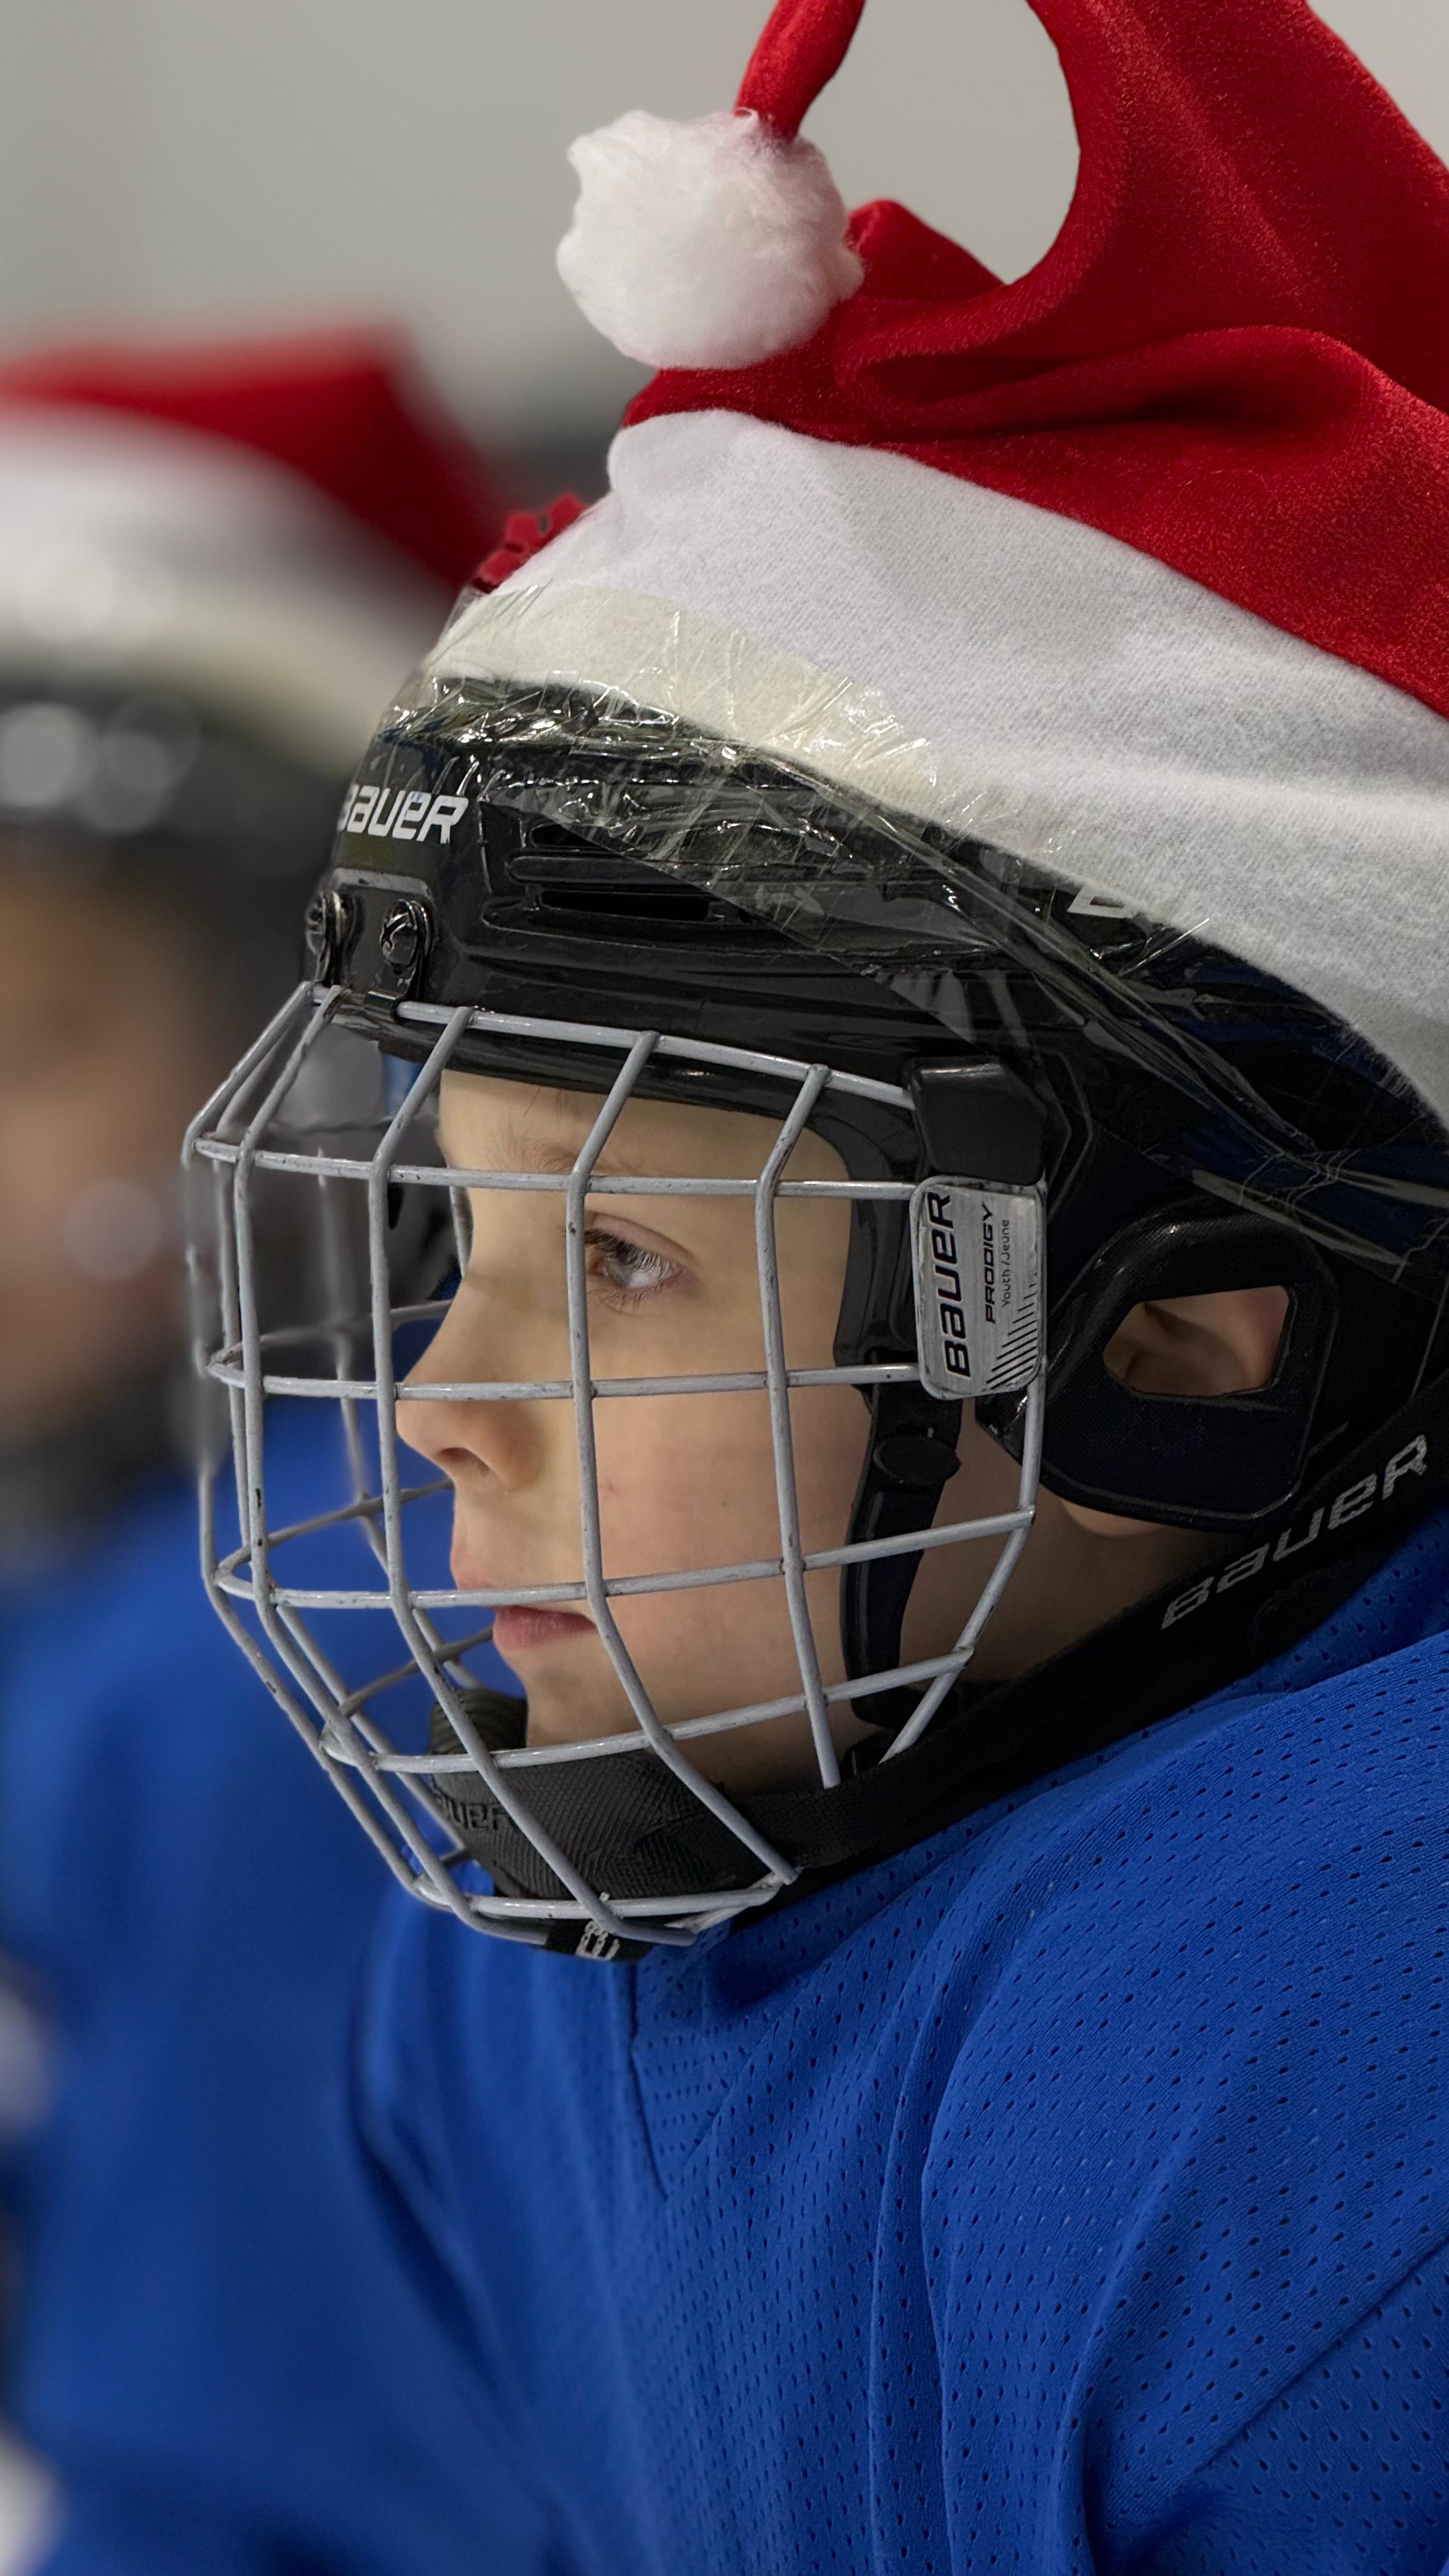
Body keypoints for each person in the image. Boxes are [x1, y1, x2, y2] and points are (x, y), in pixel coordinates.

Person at [188, 0, 1449, 2567]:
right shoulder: (520, 1945)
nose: (432, 1405)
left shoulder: (1343, 2094)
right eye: (457, 1233)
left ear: (1184, 1345)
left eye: (620, 1255)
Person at [0, 340, 550, 2575]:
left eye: (31, 1044)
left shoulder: (308, 1623)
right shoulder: (93, 1540)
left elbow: (273, 2486)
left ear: (321, 1068)